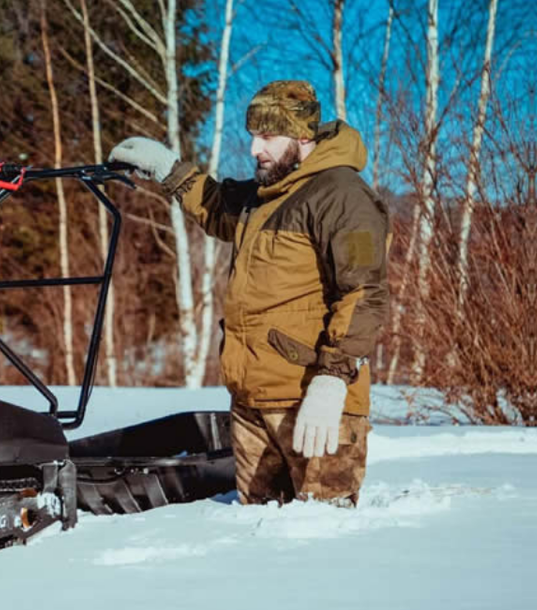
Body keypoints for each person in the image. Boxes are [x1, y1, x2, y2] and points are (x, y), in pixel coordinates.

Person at [108, 80, 390, 506]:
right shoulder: (265, 195)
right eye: (253, 135)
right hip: (252, 405)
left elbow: (364, 292)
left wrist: (333, 380)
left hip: (312, 403)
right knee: (253, 551)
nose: (256, 148)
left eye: (268, 136)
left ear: (302, 135)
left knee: (326, 545)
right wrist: (168, 168)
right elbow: (217, 206)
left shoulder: (343, 197)